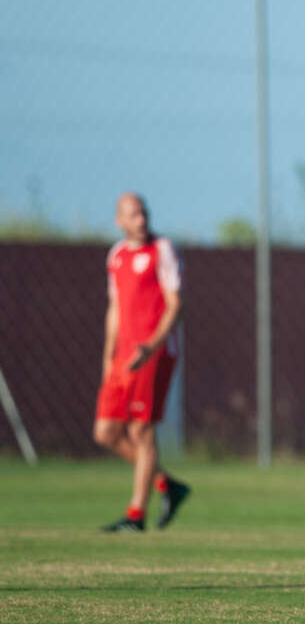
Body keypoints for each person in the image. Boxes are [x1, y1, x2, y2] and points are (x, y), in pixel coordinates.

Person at [93, 192, 190, 532]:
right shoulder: (116, 256)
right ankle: (166, 484)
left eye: (144, 213)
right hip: (122, 356)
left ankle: (136, 514)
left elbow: (175, 303)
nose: (141, 220)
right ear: (119, 220)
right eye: (134, 215)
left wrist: (151, 345)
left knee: (140, 429)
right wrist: (108, 356)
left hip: (154, 351)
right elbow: (115, 309)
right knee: (105, 431)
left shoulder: (161, 249)